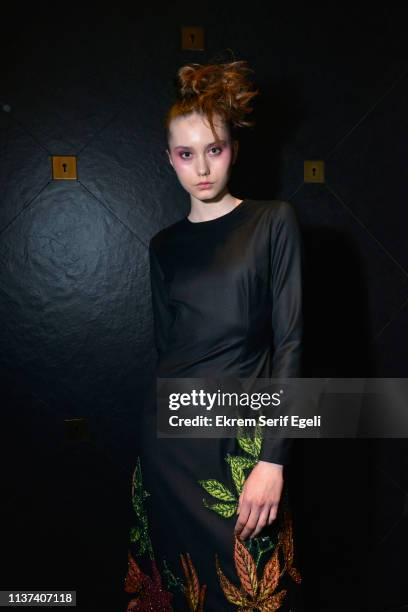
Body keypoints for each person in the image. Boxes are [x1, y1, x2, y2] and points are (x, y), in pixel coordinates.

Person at [124, 59, 304, 611]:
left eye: (215, 149)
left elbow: (291, 343)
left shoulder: (273, 221)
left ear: (234, 149)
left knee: (253, 594)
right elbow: (167, 349)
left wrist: (273, 460)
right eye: (186, 153)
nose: (201, 167)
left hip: (242, 450)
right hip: (168, 450)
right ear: (170, 159)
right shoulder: (163, 246)